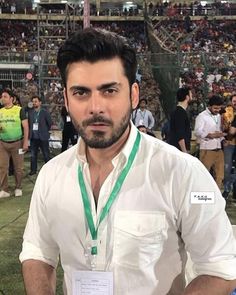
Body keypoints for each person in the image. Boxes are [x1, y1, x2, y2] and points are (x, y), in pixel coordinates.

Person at [20, 28, 236, 295]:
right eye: (81, 93)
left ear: (133, 95)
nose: (95, 107)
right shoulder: (51, 175)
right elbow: (38, 252)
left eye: (109, 90)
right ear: (65, 99)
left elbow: (219, 269)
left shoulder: (183, 172)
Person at [0, 88, 28, 198]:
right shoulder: (0, 111)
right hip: (2, 144)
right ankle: (4, 189)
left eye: (5, 96)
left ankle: (18, 187)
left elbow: (26, 127)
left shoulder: (19, 110)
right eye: (2, 96)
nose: (3, 98)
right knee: (2, 167)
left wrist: (26, 142)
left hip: (18, 143)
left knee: (18, 168)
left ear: (12, 98)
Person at [194, 95, 225, 189]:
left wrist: (222, 139)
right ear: (209, 106)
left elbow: (218, 131)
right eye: (215, 108)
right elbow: (197, 131)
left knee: (220, 176)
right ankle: (204, 197)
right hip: (207, 150)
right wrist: (209, 135)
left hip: (218, 150)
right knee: (204, 175)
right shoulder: (202, 116)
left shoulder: (219, 116)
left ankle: (216, 198)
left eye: (219, 108)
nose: (217, 110)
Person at [28, 95, 52, 175]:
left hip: (43, 137)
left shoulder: (45, 112)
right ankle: (33, 170)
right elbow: (29, 124)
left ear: (40, 102)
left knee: (46, 154)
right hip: (33, 138)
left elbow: (49, 123)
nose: (34, 103)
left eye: (36, 101)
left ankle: (49, 170)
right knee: (33, 155)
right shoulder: (30, 113)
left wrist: (45, 131)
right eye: (33, 102)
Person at [169, 87, 192, 153]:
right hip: (179, 150)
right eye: (191, 94)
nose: (192, 96)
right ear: (187, 97)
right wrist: (184, 151)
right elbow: (180, 134)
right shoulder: (180, 113)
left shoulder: (180, 112)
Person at [222, 94, 236, 199]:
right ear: (231, 101)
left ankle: (234, 190)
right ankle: (226, 189)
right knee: (227, 168)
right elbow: (223, 127)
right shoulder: (226, 112)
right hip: (229, 144)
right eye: (234, 100)